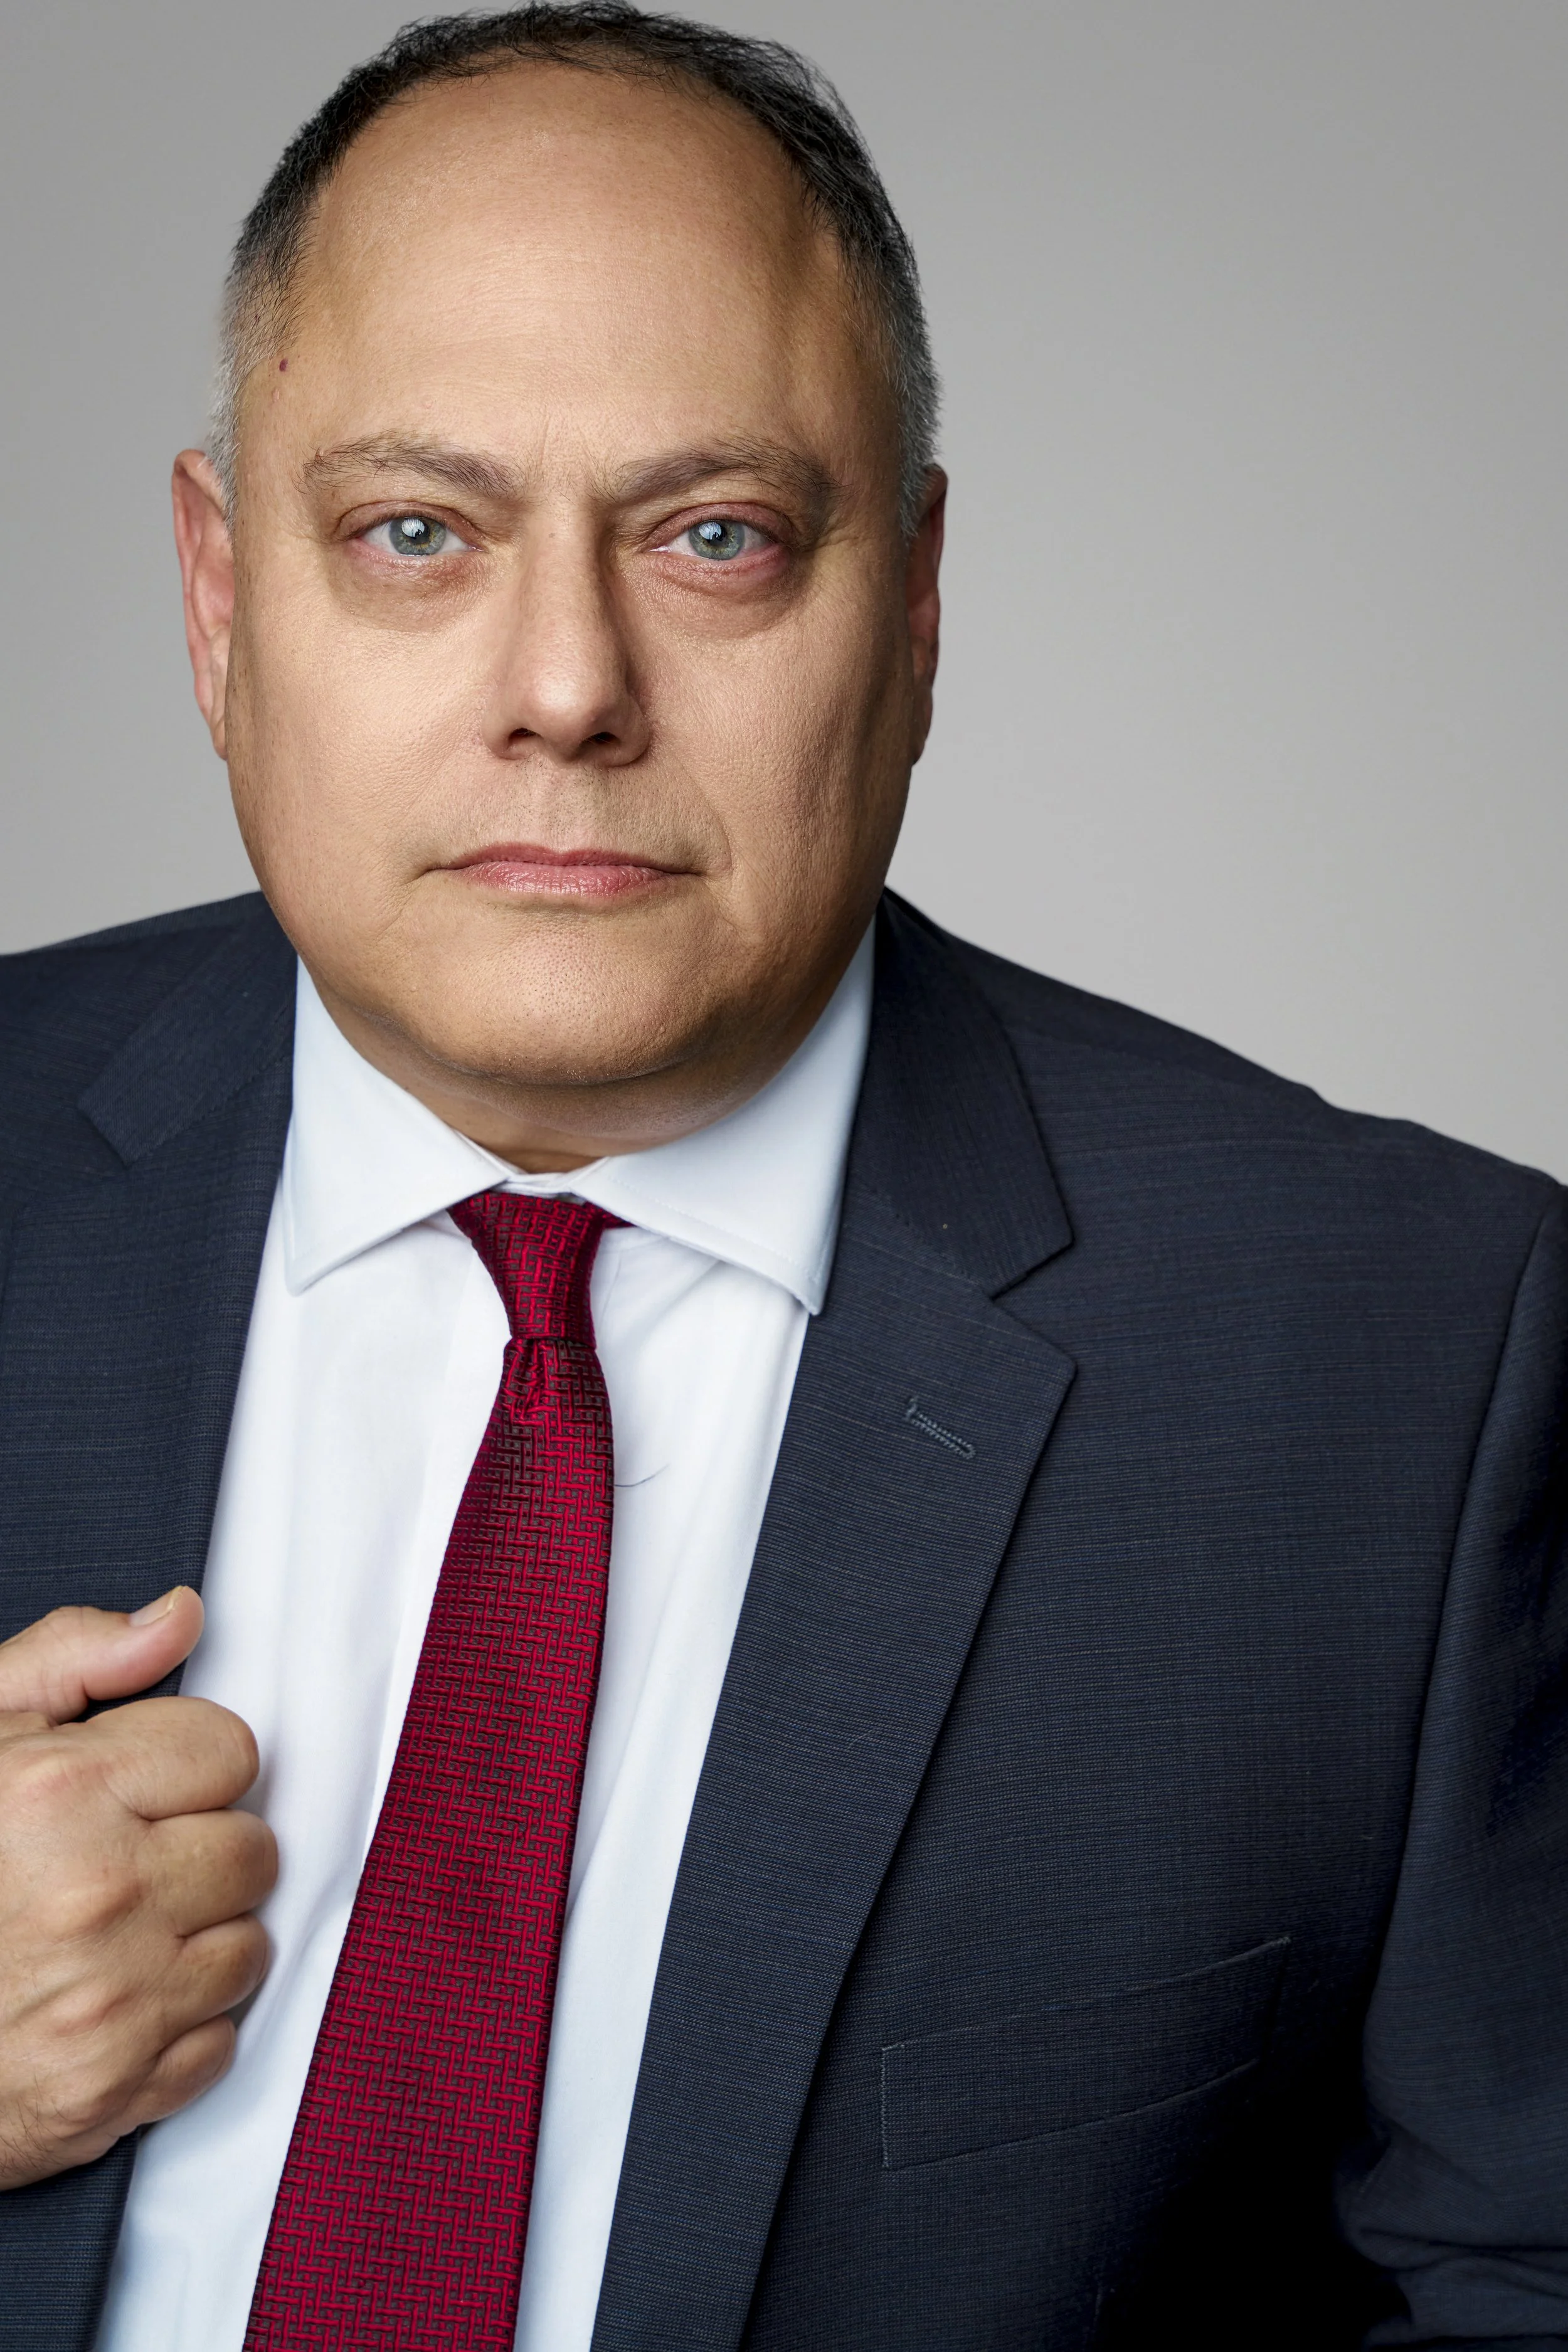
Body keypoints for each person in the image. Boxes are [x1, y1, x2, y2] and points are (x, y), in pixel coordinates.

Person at [0, 6, 1563, 2347]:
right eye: (417, 533)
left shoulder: (1418, 1353)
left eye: (713, 535)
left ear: (910, 602)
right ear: (224, 601)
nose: (564, 683)